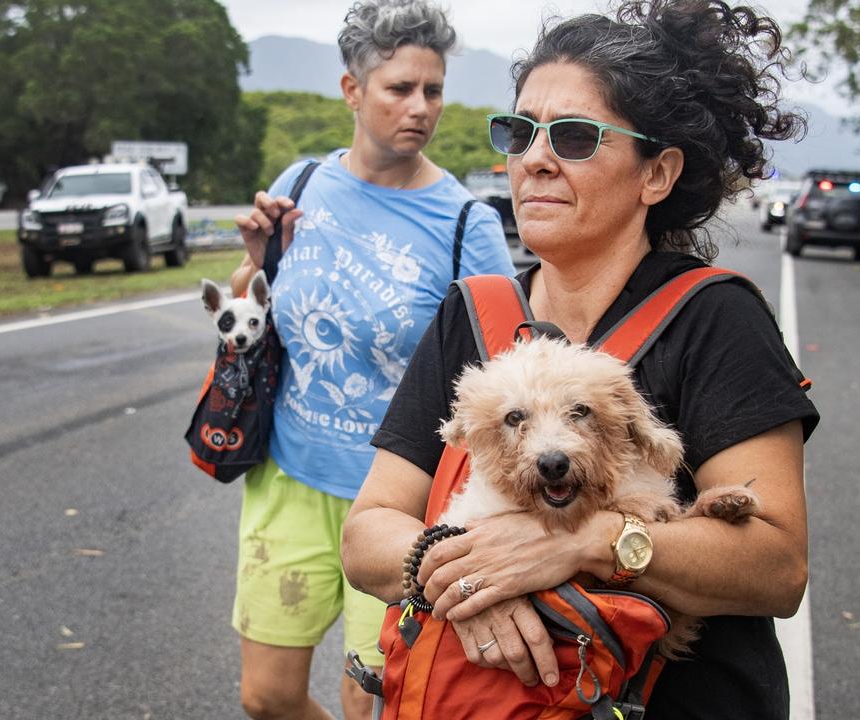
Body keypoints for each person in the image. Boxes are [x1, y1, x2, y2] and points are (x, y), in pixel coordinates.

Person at [341, 1, 818, 718]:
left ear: (656, 174)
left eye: (572, 136)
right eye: (519, 131)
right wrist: (463, 581)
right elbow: (368, 532)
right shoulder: (471, 314)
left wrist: (586, 543)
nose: (534, 157)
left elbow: (777, 566)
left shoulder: (717, 318)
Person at [227, 1, 515, 718]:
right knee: (266, 698)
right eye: (399, 89)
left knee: (377, 710)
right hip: (288, 480)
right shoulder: (300, 184)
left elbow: (507, 367)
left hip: (401, 510)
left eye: (434, 90)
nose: (420, 108)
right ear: (352, 91)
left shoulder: (464, 226)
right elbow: (248, 312)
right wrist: (256, 264)